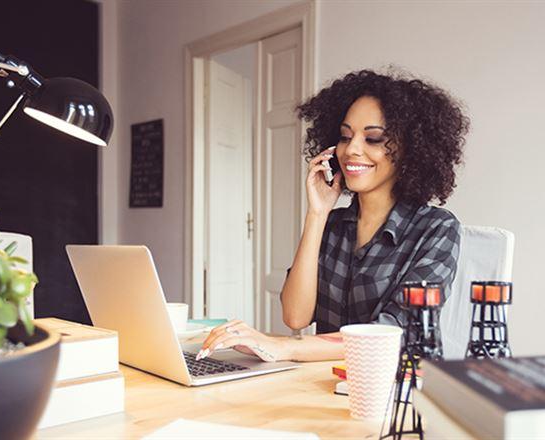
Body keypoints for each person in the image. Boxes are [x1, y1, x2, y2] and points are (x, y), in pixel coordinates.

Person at [197, 69, 468, 362]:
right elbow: (296, 316)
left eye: (373, 138)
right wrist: (317, 213)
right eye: (345, 136)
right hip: (324, 378)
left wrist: (283, 347)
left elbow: (392, 332)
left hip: (394, 383)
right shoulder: (334, 225)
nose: (351, 149)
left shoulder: (437, 228)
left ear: (410, 150)